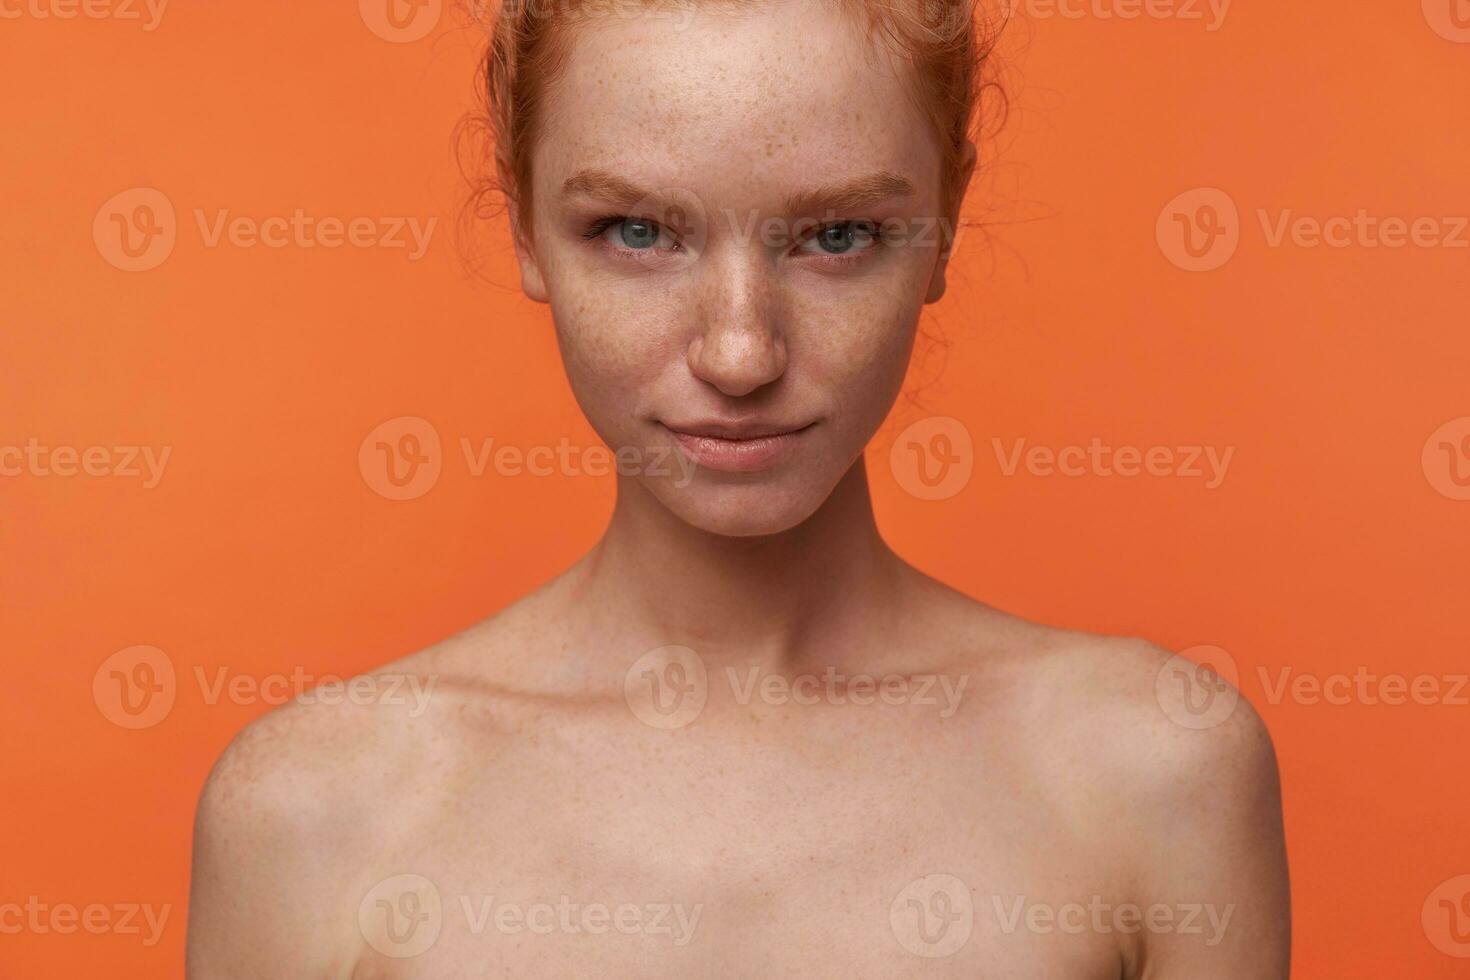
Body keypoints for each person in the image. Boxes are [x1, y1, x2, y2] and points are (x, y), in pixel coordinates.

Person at [186, 0, 1290, 975]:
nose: (740, 351)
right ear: (524, 224)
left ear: (946, 220)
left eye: (837, 235)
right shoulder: (311, 810)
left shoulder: (1156, 772)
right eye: (635, 231)